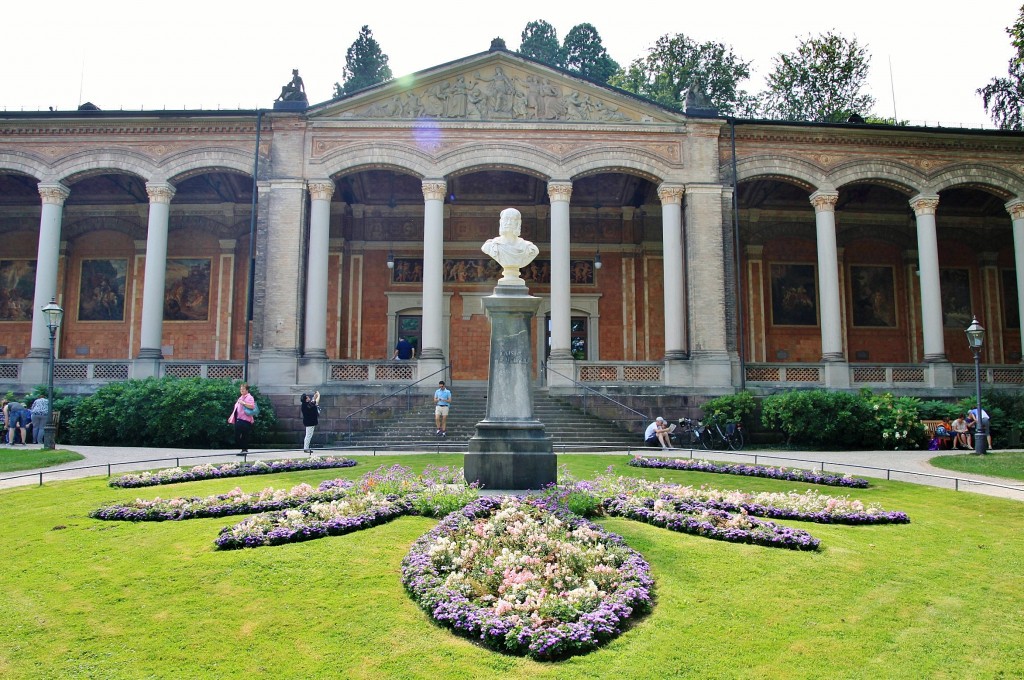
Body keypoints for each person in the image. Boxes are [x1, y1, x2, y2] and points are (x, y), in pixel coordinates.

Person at [481, 208, 540, 284]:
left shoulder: (530, 248)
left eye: (512, 220)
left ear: (518, 223)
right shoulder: (491, 246)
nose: (508, 223)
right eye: (506, 219)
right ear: (501, 222)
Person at [227, 382, 256, 454]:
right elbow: (236, 409)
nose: (241, 391)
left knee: (244, 436)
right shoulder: (241, 397)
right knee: (237, 436)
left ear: (247, 390)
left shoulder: (249, 397)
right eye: (241, 389)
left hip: (246, 420)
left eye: (243, 389)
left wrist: (243, 403)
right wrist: (231, 417)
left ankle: (244, 450)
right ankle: (244, 449)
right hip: (239, 419)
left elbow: (252, 406)